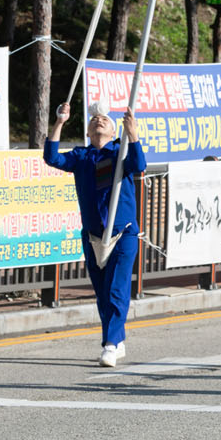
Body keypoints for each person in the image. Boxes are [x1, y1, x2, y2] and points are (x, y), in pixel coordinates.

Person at [45, 100, 147, 367]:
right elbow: (52, 158)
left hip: (123, 233)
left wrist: (133, 134)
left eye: (104, 120)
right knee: (102, 293)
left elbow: (139, 165)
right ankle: (118, 340)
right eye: (93, 120)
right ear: (88, 132)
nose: (98, 120)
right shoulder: (81, 157)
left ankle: (110, 345)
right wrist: (60, 122)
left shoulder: (120, 152)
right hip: (93, 235)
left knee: (116, 289)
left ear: (113, 132)